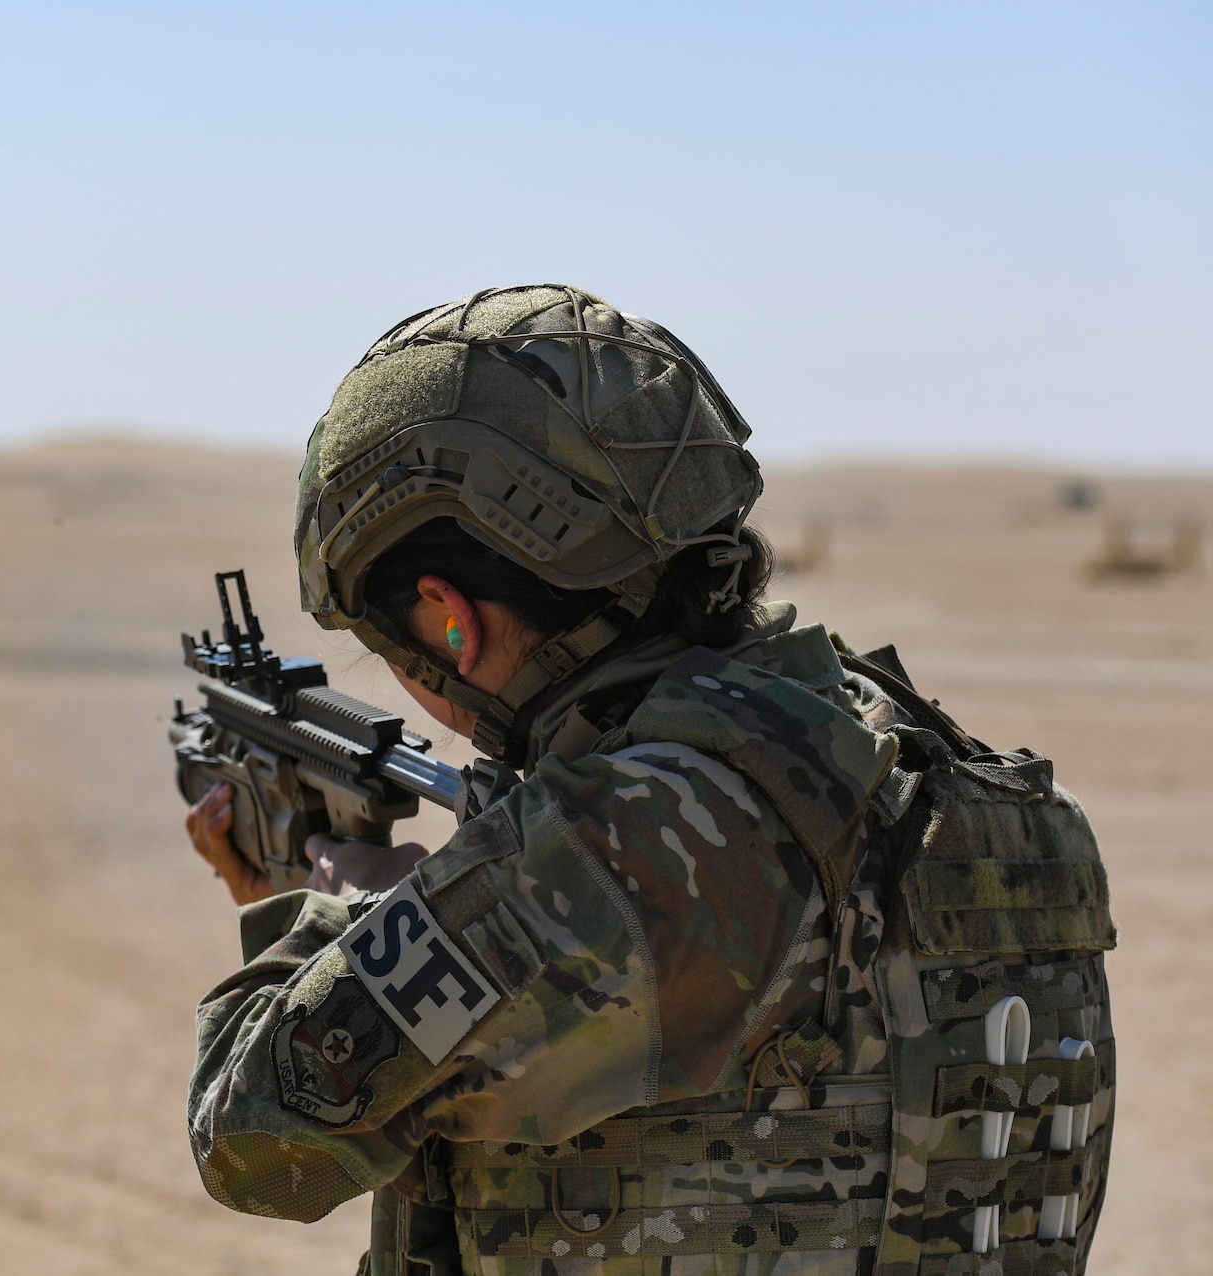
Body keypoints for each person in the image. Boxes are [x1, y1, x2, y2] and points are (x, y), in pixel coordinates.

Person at [183, 285, 1116, 1275]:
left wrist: (337, 917)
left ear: (445, 615)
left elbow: (255, 1143)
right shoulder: (961, 792)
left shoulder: (619, 847)